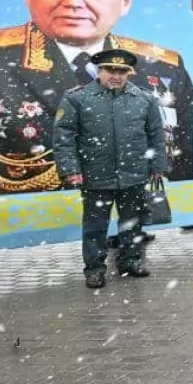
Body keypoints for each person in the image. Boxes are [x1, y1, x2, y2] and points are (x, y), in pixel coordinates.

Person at [0, 0, 193, 196]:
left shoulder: (162, 67)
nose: (73, 1)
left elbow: (183, 157)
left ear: (125, 2)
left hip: (128, 214)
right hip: (27, 224)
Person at [52, 49, 168, 288]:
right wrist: (70, 168)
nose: (116, 76)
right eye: (111, 70)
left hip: (134, 173)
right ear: (100, 71)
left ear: (129, 73)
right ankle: (94, 269)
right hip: (95, 175)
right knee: (95, 227)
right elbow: (63, 136)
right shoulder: (77, 98)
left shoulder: (144, 99)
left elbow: (156, 135)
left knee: (133, 223)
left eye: (122, 71)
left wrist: (157, 164)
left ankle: (130, 261)